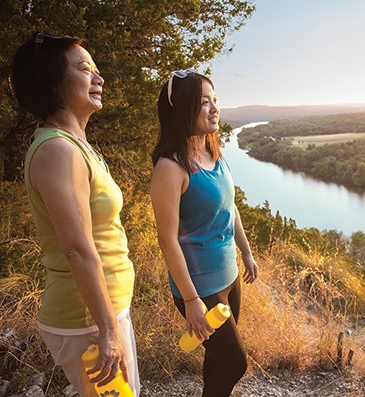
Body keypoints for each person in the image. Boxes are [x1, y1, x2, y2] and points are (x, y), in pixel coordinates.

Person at [10, 33, 140, 396]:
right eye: (85, 69)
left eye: (97, 69)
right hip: (86, 321)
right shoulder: (56, 150)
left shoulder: (77, 146)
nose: (98, 78)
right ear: (53, 83)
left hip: (102, 315)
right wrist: (107, 332)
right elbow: (77, 248)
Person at [150, 69, 258, 396]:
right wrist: (191, 299)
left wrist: (247, 251)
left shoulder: (215, 152)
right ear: (181, 110)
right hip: (201, 288)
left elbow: (231, 206)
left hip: (230, 276)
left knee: (217, 362)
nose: (214, 109)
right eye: (203, 103)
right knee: (236, 363)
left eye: (215, 100)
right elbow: (167, 240)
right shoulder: (170, 168)